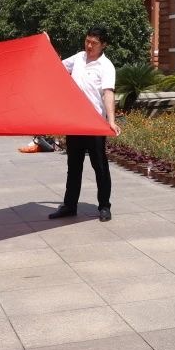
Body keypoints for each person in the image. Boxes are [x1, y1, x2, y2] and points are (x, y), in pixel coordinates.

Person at [51, 26, 121, 222]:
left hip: (94, 124)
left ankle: (104, 206)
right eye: (87, 41)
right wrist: (46, 46)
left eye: (94, 43)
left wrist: (111, 121)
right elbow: (55, 66)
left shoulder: (106, 66)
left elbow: (108, 93)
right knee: (73, 166)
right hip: (76, 122)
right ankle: (69, 206)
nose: (89, 45)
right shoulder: (79, 58)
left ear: (103, 45)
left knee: (100, 166)